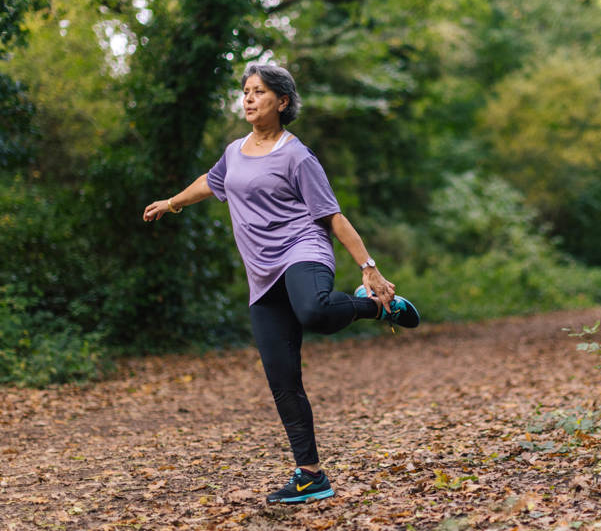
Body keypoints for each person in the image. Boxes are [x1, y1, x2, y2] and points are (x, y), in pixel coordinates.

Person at [142, 63, 420, 504]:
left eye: (259, 92)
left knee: (315, 312)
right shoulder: (234, 152)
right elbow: (211, 184)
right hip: (261, 273)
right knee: (282, 377)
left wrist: (368, 267)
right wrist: (172, 203)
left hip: (302, 249)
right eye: (246, 92)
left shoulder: (297, 156)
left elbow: (332, 215)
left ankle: (376, 304)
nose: (249, 99)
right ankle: (311, 475)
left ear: (282, 102)